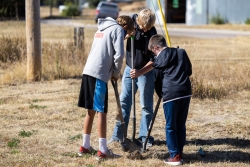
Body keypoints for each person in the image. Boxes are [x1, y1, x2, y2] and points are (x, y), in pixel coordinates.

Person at [77, 16, 134, 161]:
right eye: (127, 33)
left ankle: (85, 146)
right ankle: (103, 151)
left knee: (91, 111)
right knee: (101, 111)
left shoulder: (102, 29)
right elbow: (119, 55)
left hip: (88, 71)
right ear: (126, 27)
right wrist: (115, 72)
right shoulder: (117, 30)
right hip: (99, 74)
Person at [131, 34, 192, 166]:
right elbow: (189, 71)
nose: (154, 54)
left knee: (170, 126)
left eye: (153, 51)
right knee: (180, 125)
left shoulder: (159, 60)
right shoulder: (181, 52)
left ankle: (174, 156)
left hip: (171, 93)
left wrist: (161, 94)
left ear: (157, 47)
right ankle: (179, 153)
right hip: (186, 92)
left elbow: (157, 80)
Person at [109, 8, 157, 146]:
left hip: (145, 72)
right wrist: (128, 34)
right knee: (124, 102)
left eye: (149, 28)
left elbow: (154, 60)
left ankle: (144, 138)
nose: (146, 30)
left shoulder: (152, 33)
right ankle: (118, 136)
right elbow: (119, 37)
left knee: (146, 106)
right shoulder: (131, 22)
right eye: (143, 27)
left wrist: (140, 72)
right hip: (129, 69)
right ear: (138, 21)